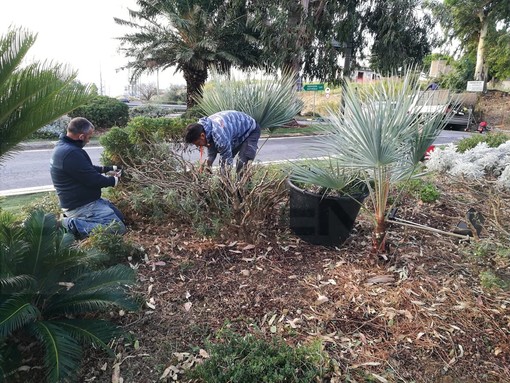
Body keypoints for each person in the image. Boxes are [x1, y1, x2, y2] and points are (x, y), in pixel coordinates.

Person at [50, 117, 126, 239]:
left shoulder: (64, 147)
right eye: (89, 137)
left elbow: (85, 169)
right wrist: (116, 180)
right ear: (81, 137)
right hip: (81, 206)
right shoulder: (71, 153)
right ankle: (68, 224)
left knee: (120, 217)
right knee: (117, 228)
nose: (89, 141)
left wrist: (108, 168)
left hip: (87, 201)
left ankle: (75, 220)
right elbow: (93, 180)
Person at [184, 110, 261, 173]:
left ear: (202, 136)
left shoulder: (219, 136)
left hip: (251, 130)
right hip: (235, 133)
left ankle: (244, 190)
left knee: (242, 163)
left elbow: (227, 162)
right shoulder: (204, 127)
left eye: (198, 143)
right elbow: (211, 152)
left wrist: (222, 182)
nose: (198, 146)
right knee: (224, 163)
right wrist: (207, 167)